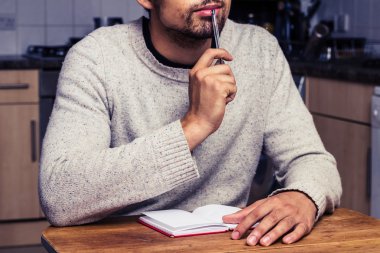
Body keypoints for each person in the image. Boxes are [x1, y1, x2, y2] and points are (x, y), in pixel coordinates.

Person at [39, 0, 342, 247]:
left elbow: (311, 159)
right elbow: (59, 196)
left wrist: (303, 196)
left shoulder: (260, 50)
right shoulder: (96, 58)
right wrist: (193, 126)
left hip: (228, 242)